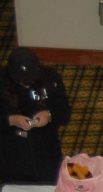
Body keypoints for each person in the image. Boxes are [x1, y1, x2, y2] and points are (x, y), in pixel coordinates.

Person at [0, 47, 71, 183]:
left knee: (50, 186)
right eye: (22, 80)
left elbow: (64, 112)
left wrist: (49, 115)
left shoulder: (51, 79)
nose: (27, 84)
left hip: (46, 148)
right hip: (10, 152)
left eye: (30, 79)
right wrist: (10, 120)